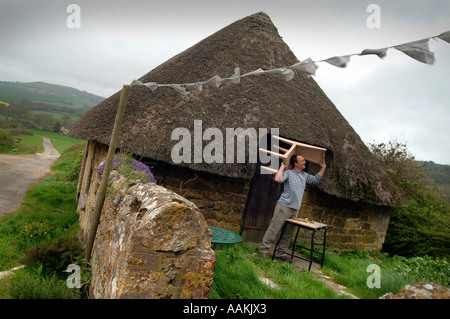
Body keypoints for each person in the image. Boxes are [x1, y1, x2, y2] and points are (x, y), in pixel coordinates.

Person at [259, 154, 326, 262]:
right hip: (284, 207)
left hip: (295, 210)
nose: (305, 162)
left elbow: (315, 179)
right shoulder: (288, 173)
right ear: (295, 163)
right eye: (302, 161)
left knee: (288, 233)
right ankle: (263, 251)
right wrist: (282, 166)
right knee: (274, 229)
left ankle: (281, 253)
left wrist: (323, 168)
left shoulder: (304, 175)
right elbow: (278, 178)